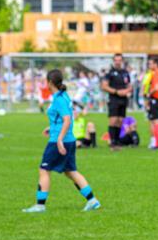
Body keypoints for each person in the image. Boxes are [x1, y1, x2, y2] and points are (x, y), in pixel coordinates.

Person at [23, 69, 101, 213]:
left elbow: (67, 119)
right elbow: (63, 119)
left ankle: (40, 205)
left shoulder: (59, 99)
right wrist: (51, 127)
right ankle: (92, 200)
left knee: (44, 170)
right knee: (71, 171)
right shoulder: (63, 96)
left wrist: (59, 139)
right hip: (68, 139)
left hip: (59, 141)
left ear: (50, 82)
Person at [102, 53, 133, 150]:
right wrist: (116, 92)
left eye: (119, 60)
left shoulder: (125, 73)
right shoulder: (109, 73)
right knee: (113, 120)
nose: (118, 62)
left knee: (120, 121)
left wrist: (126, 91)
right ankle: (112, 141)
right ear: (113, 61)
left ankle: (118, 141)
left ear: (122, 61)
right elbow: (104, 86)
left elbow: (129, 86)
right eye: (116, 60)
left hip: (123, 99)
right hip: (114, 99)